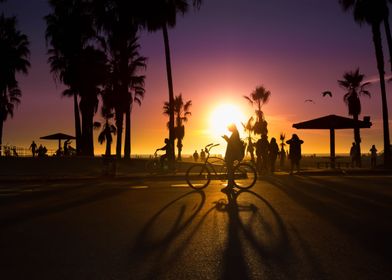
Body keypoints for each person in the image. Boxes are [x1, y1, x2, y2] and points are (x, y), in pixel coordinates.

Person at [222, 123, 243, 190]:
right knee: (230, 169)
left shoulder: (235, 133)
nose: (228, 129)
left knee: (230, 170)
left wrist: (226, 138)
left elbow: (232, 144)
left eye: (229, 128)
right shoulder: (235, 133)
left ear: (232, 127)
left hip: (231, 154)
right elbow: (232, 143)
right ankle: (231, 183)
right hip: (231, 154)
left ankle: (230, 185)